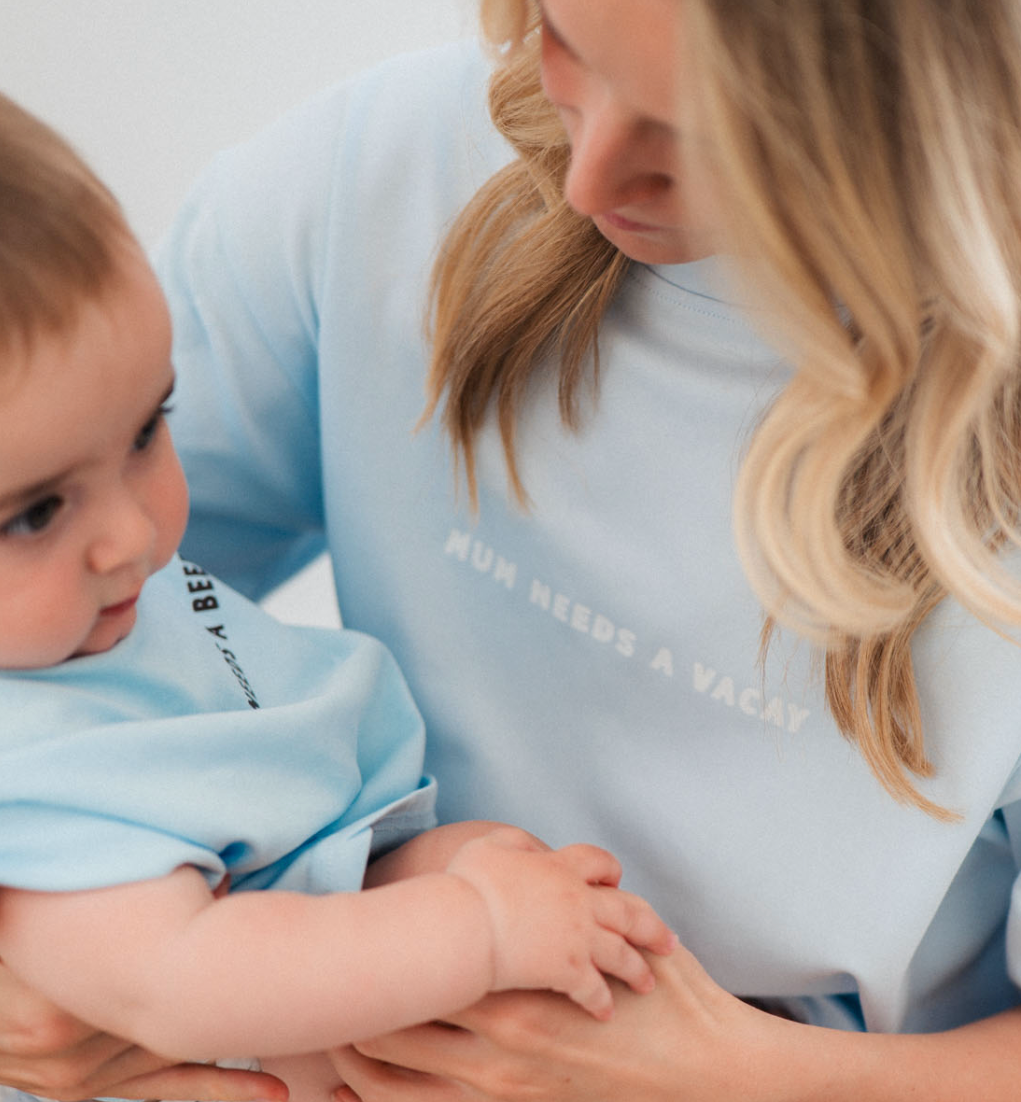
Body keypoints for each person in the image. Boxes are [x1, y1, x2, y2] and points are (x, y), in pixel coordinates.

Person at [0, 0, 1021, 1099]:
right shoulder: (374, 183)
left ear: (973, 108)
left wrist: (709, 1074)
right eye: (564, 39)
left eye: (712, 134)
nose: (588, 172)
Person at [0, 93, 675, 1102]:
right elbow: (187, 980)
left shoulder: (78, 610)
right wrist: (480, 924)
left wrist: (448, 867)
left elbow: (289, 845)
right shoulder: (34, 773)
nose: (131, 535)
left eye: (146, 430)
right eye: (35, 514)